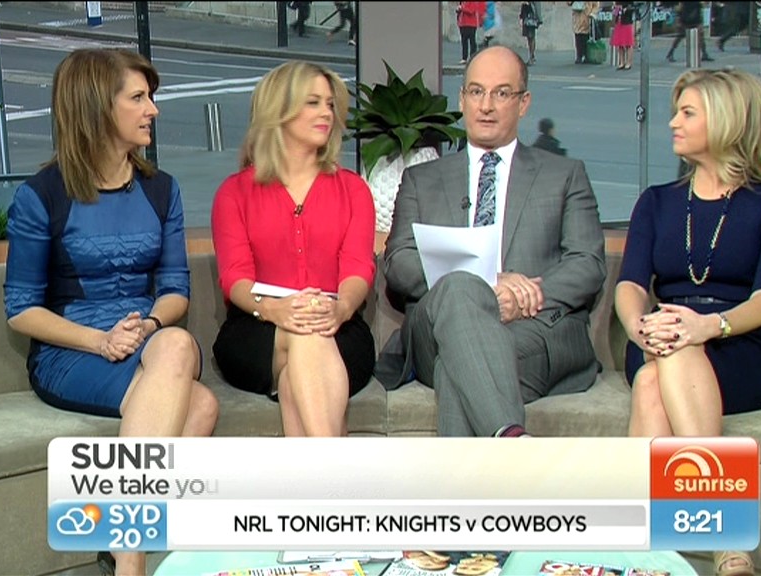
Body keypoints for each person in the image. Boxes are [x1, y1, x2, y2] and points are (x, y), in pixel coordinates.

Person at [3, 49, 218, 576]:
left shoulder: (161, 189)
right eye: (139, 98)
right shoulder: (42, 196)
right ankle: (131, 560)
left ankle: (124, 556)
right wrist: (99, 340)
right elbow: (20, 310)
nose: (153, 110)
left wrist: (148, 324)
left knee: (175, 342)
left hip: (147, 340)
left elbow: (175, 290)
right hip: (71, 351)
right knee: (201, 405)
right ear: (99, 106)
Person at [615, 68, 761, 576]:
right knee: (663, 360)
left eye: (687, 113)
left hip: (744, 343)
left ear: (726, 121)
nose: (672, 122)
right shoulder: (657, 201)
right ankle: (724, 539)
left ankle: (644, 547)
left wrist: (708, 326)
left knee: (655, 379)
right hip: (662, 332)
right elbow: (631, 285)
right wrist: (638, 327)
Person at [376, 46, 606, 438]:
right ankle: (511, 442)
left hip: (533, 328)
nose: (486, 106)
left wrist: (523, 295)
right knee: (461, 291)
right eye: (476, 92)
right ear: (462, 99)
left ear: (523, 103)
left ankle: (501, 448)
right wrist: (486, 285)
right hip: (436, 329)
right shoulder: (422, 179)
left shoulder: (564, 175)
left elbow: (587, 263)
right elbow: (399, 262)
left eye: (501, 93)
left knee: (459, 365)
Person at [211, 61, 376, 438]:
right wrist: (274, 309)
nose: (326, 113)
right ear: (278, 111)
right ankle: (333, 467)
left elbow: (358, 268)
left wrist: (340, 308)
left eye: (330, 104)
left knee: (298, 369)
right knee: (305, 333)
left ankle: (320, 471)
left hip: (339, 325)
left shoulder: (353, 190)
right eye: (313, 103)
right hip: (256, 325)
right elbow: (234, 277)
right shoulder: (235, 193)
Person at [611, 1, 637, 70]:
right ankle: (622, 62)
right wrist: (614, 8)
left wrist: (625, 9)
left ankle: (629, 62)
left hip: (627, 22)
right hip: (618, 22)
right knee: (620, 44)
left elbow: (633, 7)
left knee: (628, 43)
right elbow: (614, 10)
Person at [519, 1, 541, 65]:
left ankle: (531, 57)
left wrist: (539, 19)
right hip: (526, 15)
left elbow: (537, 6)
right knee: (529, 38)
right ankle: (532, 56)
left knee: (531, 37)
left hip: (531, 16)